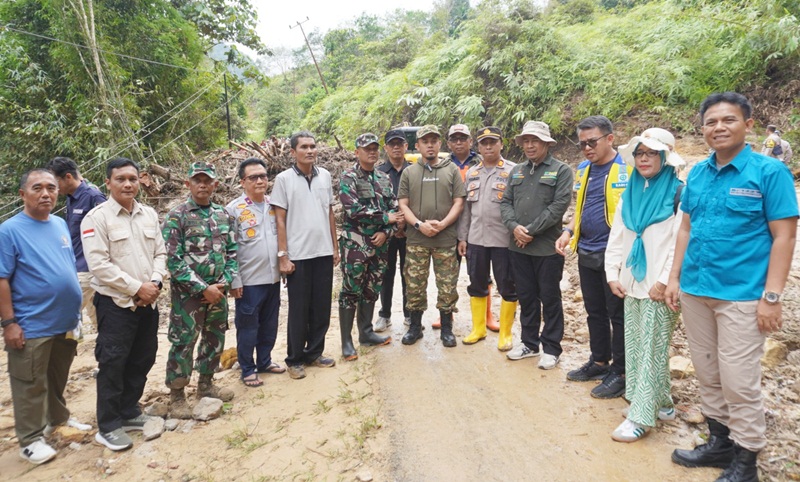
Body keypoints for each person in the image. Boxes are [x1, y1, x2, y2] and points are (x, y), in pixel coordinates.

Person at [666, 92, 798, 482]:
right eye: (711, 122)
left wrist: (772, 297)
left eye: (728, 120)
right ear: (702, 128)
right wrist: (673, 277)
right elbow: (685, 228)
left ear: (748, 125)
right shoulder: (699, 173)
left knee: (739, 380)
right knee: (708, 372)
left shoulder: (769, 173)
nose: (719, 128)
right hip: (695, 290)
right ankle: (719, 442)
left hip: (742, 295)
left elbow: (785, 237)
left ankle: (746, 459)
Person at [0, 169, 91, 465]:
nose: (45, 193)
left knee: (56, 376)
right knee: (29, 382)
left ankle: (58, 418)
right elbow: (2, 279)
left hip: (65, 321)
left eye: (51, 188)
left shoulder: (61, 224)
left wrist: (76, 313)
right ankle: (30, 439)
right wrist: (9, 323)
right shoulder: (9, 230)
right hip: (30, 323)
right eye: (37, 188)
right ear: (22, 194)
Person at [604, 128, 685, 443]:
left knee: (652, 348)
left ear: (665, 157)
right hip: (632, 282)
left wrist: (665, 280)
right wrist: (613, 272)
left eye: (651, 153)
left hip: (659, 288)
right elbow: (619, 234)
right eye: (639, 153)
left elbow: (681, 242)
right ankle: (660, 403)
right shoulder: (631, 192)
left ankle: (641, 416)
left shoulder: (678, 192)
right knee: (637, 346)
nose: (643, 159)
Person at [81, 157, 167, 451]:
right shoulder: (96, 218)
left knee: (144, 356)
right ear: (108, 182)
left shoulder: (149, 215)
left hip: (149, 301)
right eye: (120, 179)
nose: (128, 184)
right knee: (113, 362)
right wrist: (136, 288)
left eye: (132, 178)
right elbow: (99, 265)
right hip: (116, 303)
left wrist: (154, 282)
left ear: (140, 181)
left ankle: (129, 411)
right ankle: (108, 425)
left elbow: (160, 254)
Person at [555, 115, 632, 398]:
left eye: (592, 142)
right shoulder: (584, 169)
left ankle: (621, 372)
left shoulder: (628, 168)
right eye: (582, 144)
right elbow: (581, 207)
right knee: (595, 311)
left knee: (618, 315)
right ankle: (599, 361)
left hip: (616, 256)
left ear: (610, 138)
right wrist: (568, 231)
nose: (587, 148)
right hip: (586, 249)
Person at [162, 162, 237, 419]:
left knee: (214, 337)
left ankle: (206, 385)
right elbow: (173, 259)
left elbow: (232, 253)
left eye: (208, 180)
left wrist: (223, 283)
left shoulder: (224, 215)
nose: (202, 184)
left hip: (218, 292)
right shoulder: (177, 216)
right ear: (188, 184)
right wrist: (202, 288)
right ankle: (177, 395)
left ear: (216, 184)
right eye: (197, 180)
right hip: (188, 296)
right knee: (183, 342)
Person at [499, 121, 573, 370]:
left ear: (546, 144)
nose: (530, 146)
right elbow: (505, 202)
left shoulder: (561, 171)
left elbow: (558, 207)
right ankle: (529, 343)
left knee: (550, 297)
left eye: (535, 141)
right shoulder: (517, 171)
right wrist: (514, 228)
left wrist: (529, 230)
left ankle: (551, 348)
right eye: (526, 141)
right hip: (518, 247)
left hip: (547, 249)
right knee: (527, 296)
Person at [272, 131, 340, 380]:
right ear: (293, 152)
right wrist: (283, 255)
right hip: (298, 255)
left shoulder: (325, 176)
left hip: (322, 251)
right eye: (304, 147)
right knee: (299, 309)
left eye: (313, 146)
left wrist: (335, 247)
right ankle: (294, 358)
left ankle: (314, 352)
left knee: (321, 307)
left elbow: (329, 213)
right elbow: (280, 219)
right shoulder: (283, 179)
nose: (310, 151)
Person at [398, 124, 465, 347]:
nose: (429, 145)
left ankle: (447, 328)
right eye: (425, 141)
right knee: (415, 284)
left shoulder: (452, 170)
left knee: (447, 285)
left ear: (439, 144)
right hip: (417, 239)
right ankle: (415, 327)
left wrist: (444, 224)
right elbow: (403, 204)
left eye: (433, 141)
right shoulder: (409, 172)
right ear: (417, 146)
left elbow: (459, 201)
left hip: (445, 240)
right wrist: (418, 225)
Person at [338, 133, 403, 360]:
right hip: (356, 245)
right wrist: (386, 220)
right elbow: (353, 211)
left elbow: (397, 212)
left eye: (375, 148)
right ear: (357, 152)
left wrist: (386, 233)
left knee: (371, 289)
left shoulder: (384, 179)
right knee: (351, 290)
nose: (372, 152)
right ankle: (346, 341)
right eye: (367, 148)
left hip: (380, 245)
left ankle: (365, 333)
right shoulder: (349, 178)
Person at [226, 158, 285, 388]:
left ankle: (265, 361)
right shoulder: (234, 210)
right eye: (253, 177)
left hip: (273, 278)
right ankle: (247, 368)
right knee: (248, 327)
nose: (260, 180)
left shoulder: (274, 205)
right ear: (243, 182)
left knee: (269, 324)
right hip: (248, 281)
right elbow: (229, 248)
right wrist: (234, 279)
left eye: (263, 176)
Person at [457, 126, 518, 350]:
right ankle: (478, 328)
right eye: (484, 143)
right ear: (478, 146)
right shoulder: (472, 172)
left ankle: (505, 333)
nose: (489, 146)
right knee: (477, 284)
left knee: (508, 286)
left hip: (503, 241)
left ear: (502, 144)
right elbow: (466, 210)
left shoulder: (513, 171)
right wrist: (462, 237)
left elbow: (517, 207)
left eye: (493, 142)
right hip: (476, 240)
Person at [45, 157, 107, 333]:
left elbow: (108, 228)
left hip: (87, 268)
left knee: (63, 313)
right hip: (75, 265)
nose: (54, 188)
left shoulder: (93, 196)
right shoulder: (71, 198)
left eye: (55, 183)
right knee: (99, 317)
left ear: (68, 177)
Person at [375, 129, 411, 332]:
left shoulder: (414, 170)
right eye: (392, 144)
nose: (396, 147)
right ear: (386, 148)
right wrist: (391, 225)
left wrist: (405, 223)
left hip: (409, 233)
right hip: (386, 233)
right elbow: (377, 204)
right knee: (385, 275)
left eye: (400, 143)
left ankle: (409, 315)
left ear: (406, 146)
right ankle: (384, 315)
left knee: (409, 274)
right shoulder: (378, 172)